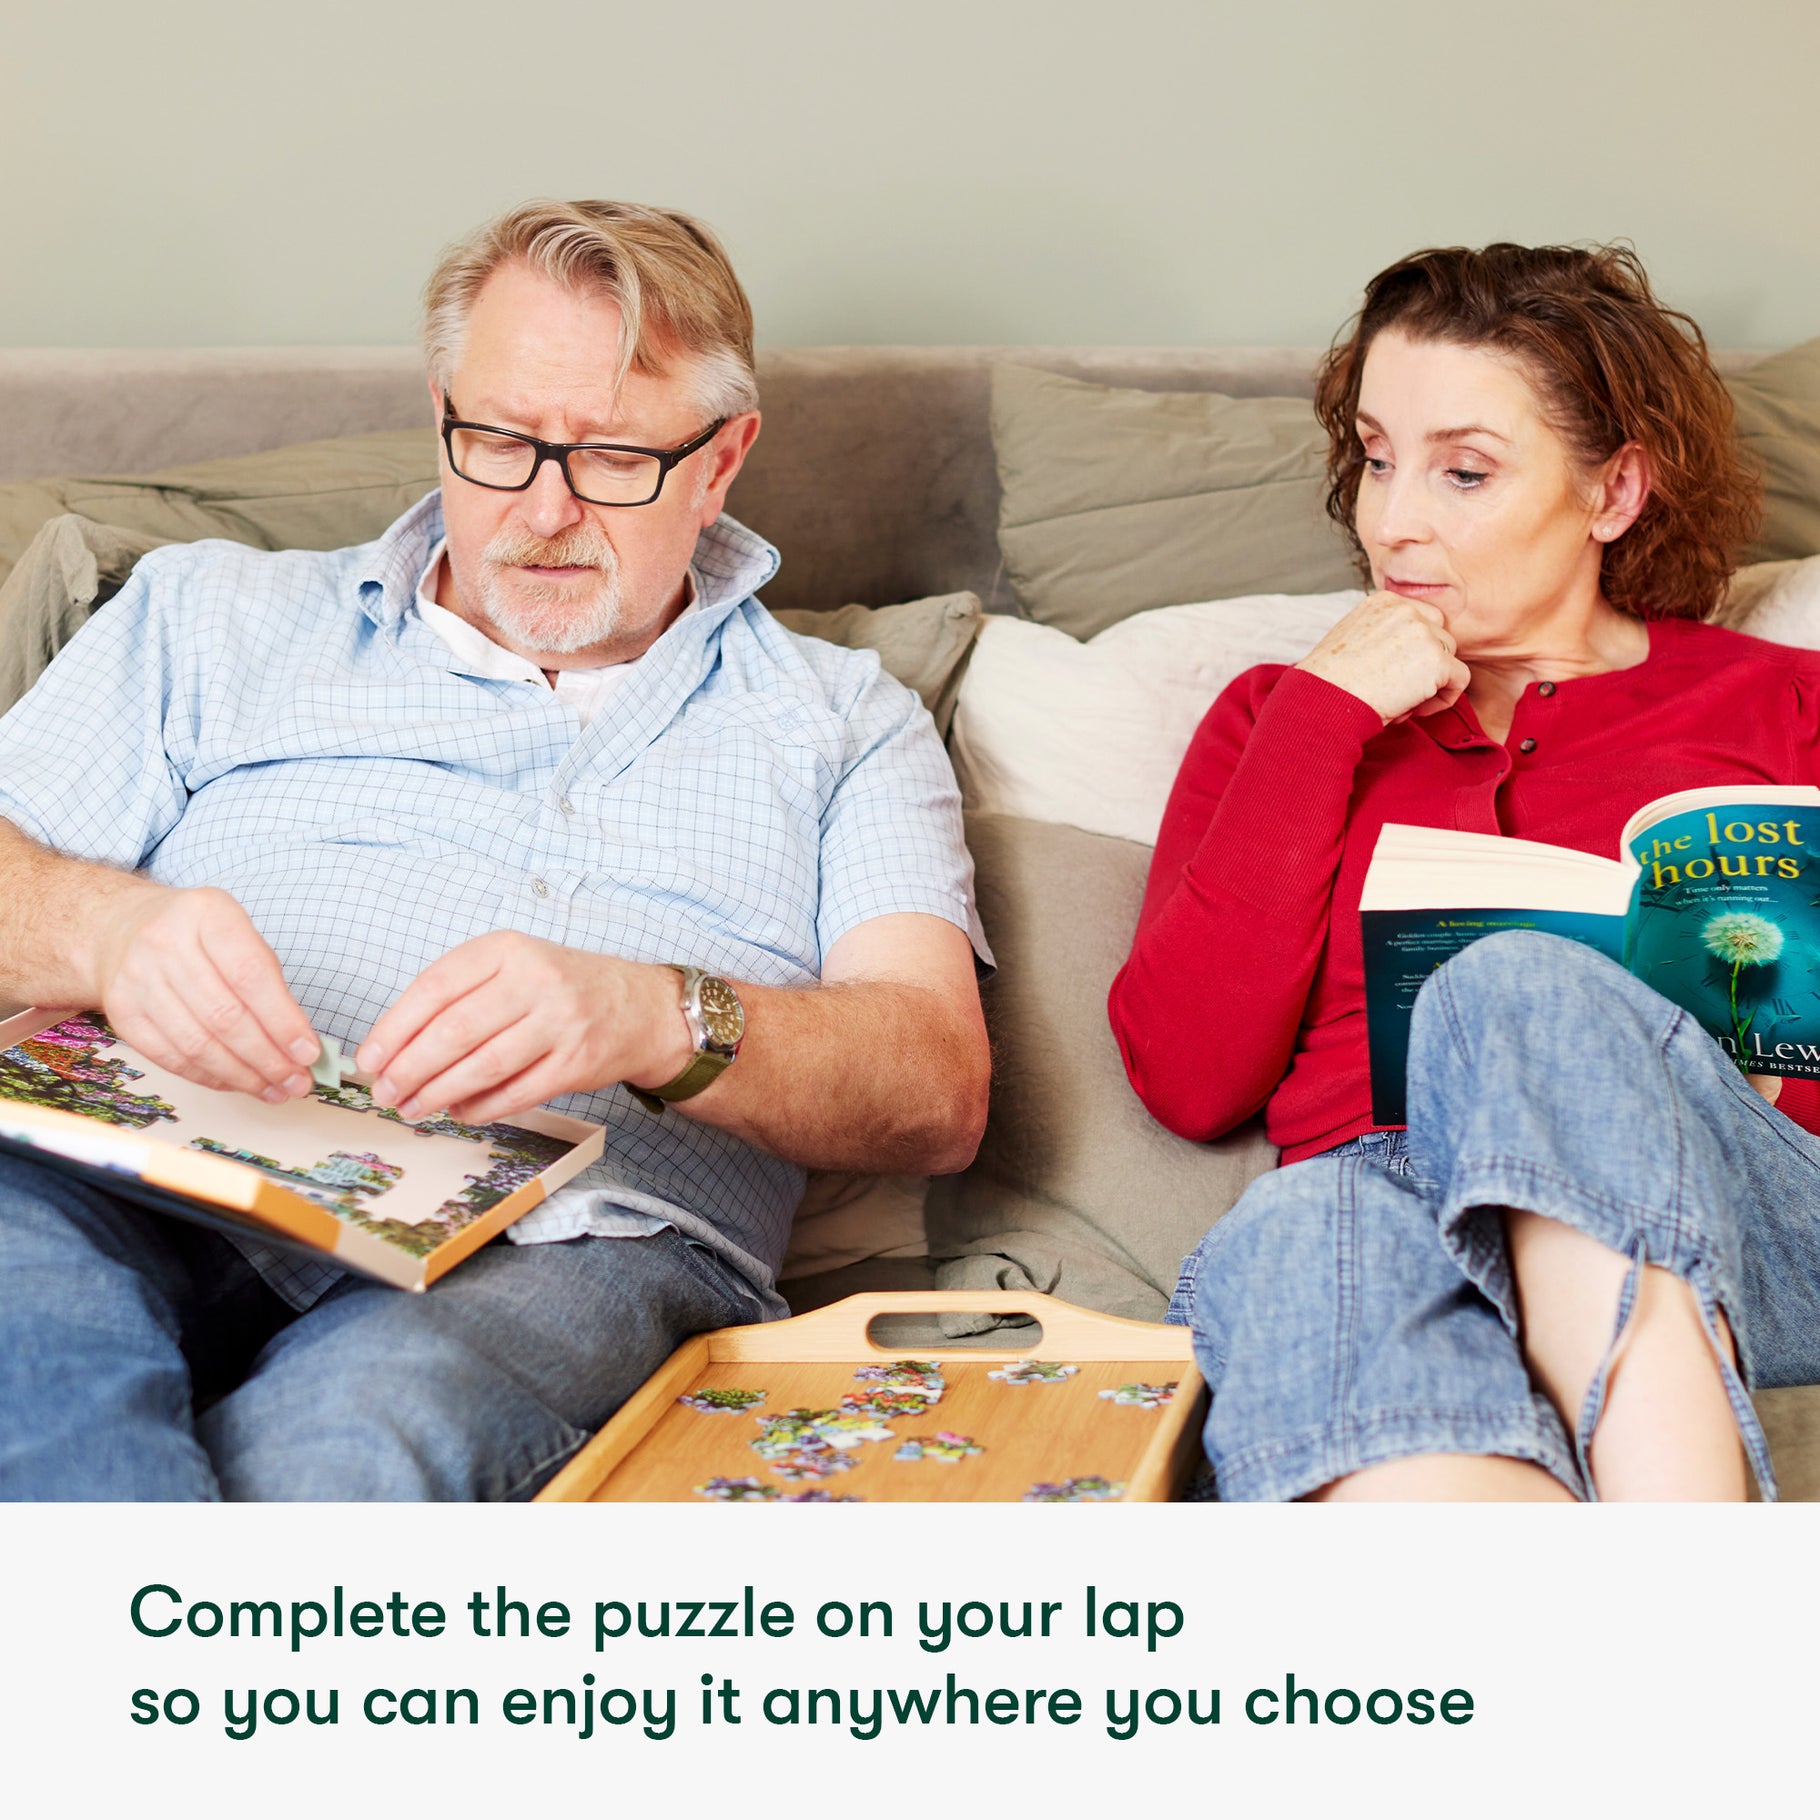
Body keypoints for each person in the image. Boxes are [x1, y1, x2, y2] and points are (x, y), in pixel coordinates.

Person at [0, 199, 991, 1501]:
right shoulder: (205, 614)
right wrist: (109, 934)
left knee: (338, 1459)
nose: (544, 509)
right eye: (499, 442)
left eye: (611, 458)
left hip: (564, 1247)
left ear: (722, 458)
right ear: (441, 413)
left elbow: (934, 1088)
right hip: (136, 1163)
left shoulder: (844, 721)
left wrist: (654, 1017)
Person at [1110, 242, 1820, 1503]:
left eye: (1463, 471)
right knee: (1289, 1229)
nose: (1391, 520)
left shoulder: (1779, 703)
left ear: (1611, 494)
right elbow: (1189, 1077)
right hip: (1377, 1194)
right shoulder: (1280, 717)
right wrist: (1325, 718)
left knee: (1511, 985)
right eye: (1377, 458)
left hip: (1728, 1191)